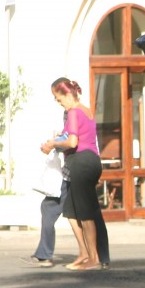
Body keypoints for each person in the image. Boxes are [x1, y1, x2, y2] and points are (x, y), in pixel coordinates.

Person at [43, 78, 104, 271]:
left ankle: (93, 258)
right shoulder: (85, 111)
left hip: (82, 163)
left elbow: (72, 142)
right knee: (70, 210)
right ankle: (84, 252)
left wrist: (53, 143)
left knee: (85, 213)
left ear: (68, 94)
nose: (58, 102)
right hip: (90, 161)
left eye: (58, 98)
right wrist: (56, 142)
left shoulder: (74, 112)